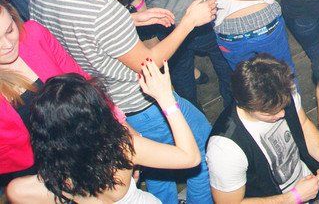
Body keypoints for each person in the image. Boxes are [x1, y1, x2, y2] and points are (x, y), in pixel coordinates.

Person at [27, 0, 216, 204]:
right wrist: (189, 21)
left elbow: (76, 33)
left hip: (106, 103)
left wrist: (130, 21)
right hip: (139, 102)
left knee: (155, 163)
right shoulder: (102, 11)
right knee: (201, 147)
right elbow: (148, 64)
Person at [6, 65, 202, 204]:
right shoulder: (122, 148)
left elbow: (19, 192)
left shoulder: (25, 188)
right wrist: (166, 99)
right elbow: (190, 157)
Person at [207, 54, 319, 202]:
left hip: (308, 182)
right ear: (245, 106)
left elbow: (304, 125)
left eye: (282, 107)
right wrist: (294, 197)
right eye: (270, 113)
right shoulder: (224, 148)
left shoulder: (281, 89)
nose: (282, 114)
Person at [0, 0, 88, 175]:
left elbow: (82, 83)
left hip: (85, 136)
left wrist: (119, 127)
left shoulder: (33, 34)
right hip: (40, 170)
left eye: (9, 30)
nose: (8, 45)